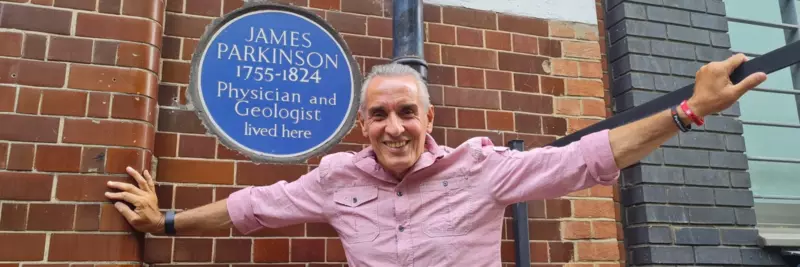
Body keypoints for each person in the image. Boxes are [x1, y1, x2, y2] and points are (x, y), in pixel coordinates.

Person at [106, 53, 766, 266]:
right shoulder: (336, 179)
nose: (395, 126)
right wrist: (163, 222)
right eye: (381, 114)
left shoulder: (481, 168)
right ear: (363, 124)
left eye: (407, 111)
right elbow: (252, 210)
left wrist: (691, 110)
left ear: (429, 119)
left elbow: (586, 158)